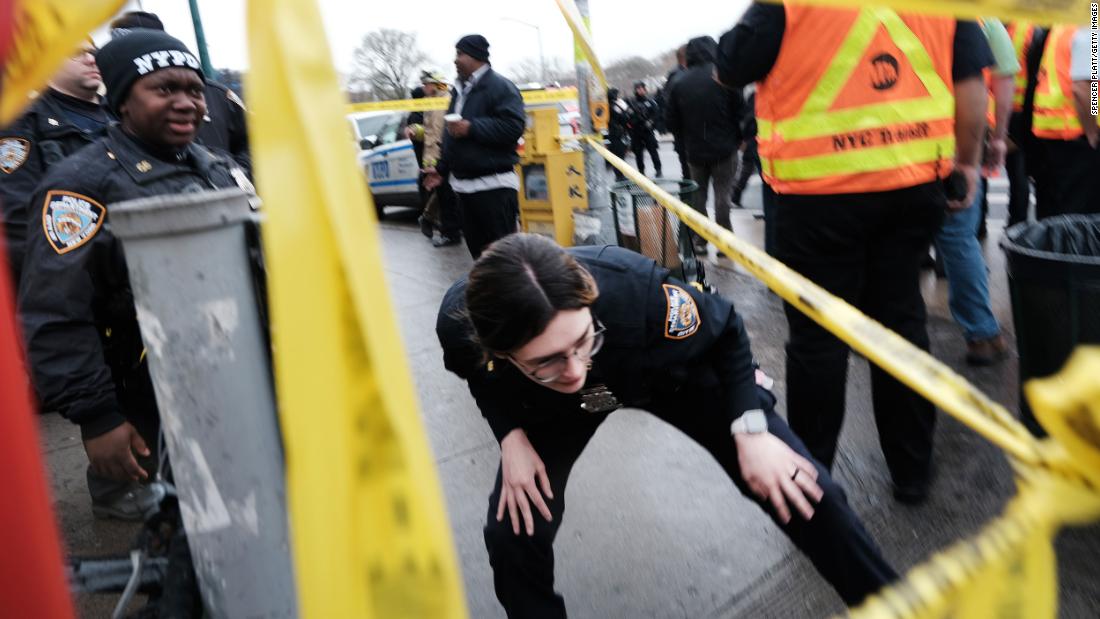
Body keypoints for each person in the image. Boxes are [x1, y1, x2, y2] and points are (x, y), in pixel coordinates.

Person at [437, 233, 897, 618]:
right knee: (512, 532)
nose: (575, 370)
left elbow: (726, 329)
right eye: (546, 360)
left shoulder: (635, 292)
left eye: (581, 341)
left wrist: (751, 428)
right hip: (554, 410)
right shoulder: (462, 327)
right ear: (497, 350)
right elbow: (478, 376)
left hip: (667, 379)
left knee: (806, 489)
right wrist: (510, 435)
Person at [716, 3, 994, 504]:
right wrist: (969, 164)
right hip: (910, 189)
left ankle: (810, 481)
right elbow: (971, 83)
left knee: (818, 341)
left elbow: (728, 67)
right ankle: (912, 472)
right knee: (901, 329)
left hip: (815, 199)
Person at [18, 30, 251, 520]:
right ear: (123, 100)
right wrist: (98, 416)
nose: (187, 103)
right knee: (193, 523)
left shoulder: (217, 166)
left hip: (236, 377)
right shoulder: (79, 187)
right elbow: (55, 311)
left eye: (193, 89)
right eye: (165, 90)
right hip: (150, 391)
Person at [932, 18, 1016, 366]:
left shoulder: (1090, 20)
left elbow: (1086, 84)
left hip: (919, 135)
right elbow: (1086, 84)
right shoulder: (984, 20)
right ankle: (982, 332)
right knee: (957, 234)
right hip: (963, 135)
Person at [0, 40, 110, 285]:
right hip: (71, 278)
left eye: (93, 52)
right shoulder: (23, 121)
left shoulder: (123, 116)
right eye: (76, 53)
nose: (91, 59)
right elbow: (18, 217)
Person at [109, 11, 252, 177]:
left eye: (195, 91)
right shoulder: (110, 104)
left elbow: (255, 140)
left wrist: (238, 175)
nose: (186, 104)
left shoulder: (217, 95)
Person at [423, 35, 526, 258]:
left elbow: (513, 127)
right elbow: (451, 135)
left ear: (476, 56)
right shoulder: (459, 91)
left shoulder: (501, 87)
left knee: (504, 263)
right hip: (464, 190)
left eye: (460, 54)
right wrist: (441, 169)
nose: (455, 60)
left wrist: (472, 128)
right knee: (480, 261)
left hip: (494, 189)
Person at [665, 36, 744, 248]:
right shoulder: (724, 76)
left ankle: (701, 239)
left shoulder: (679, 82)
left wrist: (685, 140)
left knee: (698, 197)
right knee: (723, 195)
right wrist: (738, 138)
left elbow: (670, 120)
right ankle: (725, 242)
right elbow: (740, 112)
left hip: (695, 151)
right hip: (725, 148)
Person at [1030, 24, 1100, 219]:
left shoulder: (1067, 24)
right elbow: (1085, 87)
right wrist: (1092, 131)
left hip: (1060, 133)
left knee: (1058, 216)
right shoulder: (1092, 24)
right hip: (1078, 137)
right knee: (1079, 218)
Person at [408, 71, 463, 247]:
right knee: (443, 195)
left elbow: (445, 132)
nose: (424, 87)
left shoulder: (446, 101)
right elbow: (430, 130)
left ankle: (450, 232)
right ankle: (447, 231)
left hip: (443, 156)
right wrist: (416, 131)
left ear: (436, 84)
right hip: (432, 157)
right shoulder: (431, 103)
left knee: (448, 197)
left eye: (427, 84)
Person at [626, 81, 663, 177]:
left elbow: (656, 114)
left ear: (645, 89)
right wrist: (633, 120)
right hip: (636, 132)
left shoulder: (650, 102)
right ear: (635, 90)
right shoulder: (632, 102)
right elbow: (628, 117)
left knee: (653, 151)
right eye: (638, 89)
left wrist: (650, 122)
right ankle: (641, 171)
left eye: (642, 88)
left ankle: (658, 169)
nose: (640, 90)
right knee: (638, 153)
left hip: (648, 131)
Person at [665, 45, 691, 180]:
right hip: (687, 133)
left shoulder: (673, 77)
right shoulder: (681, 77)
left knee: (687, 172)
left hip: (681, 133)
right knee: (690, 174)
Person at [605, 87, 630, 181]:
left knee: (620, 155)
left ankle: (620, 175)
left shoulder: (611, 106)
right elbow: (623, 118)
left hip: (617, 134)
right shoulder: (612, 106)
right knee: (618, 156)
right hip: (614, 135)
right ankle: (619, 176)